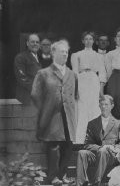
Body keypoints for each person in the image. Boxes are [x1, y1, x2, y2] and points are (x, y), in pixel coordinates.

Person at [31, 40, 78, 185]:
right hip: (52, 118)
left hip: (68, 117)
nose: (65, 54)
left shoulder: (72, 74)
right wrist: (47, 108)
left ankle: (62, 175)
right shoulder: (43, 73)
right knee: (53, 147)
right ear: (53, 53)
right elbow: (35, 94)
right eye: (61, 51)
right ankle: (52, 177)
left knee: (68, 146)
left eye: (66, 52)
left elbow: (75, 95)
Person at [76, 95, 120, 186]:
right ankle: (81, 183)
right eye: (102, 104)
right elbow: (87, 144)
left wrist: (112, 147)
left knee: (103, 151)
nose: (103, 107)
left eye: (106, 104)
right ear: (99, 105)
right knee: (82, 152)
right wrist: (101, 147)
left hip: (111, 156)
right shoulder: (92, 123)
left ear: (112, 106)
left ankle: (97, 182)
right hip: (97, 153)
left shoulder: (119, 123)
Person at [71, 31, 107, 143]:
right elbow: (75, 73)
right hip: (82, 80)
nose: (88, 41)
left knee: (94, 108)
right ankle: (79, 139)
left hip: (93, 81)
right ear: (82, 41)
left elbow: (102, 74)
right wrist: (76, 89)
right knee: (81, 108)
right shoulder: (77, 55)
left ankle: (94, 138)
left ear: (94, 41)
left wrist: (101, 90)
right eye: (86, 39)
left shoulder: (98, 56)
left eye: (90, 39)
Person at [14, 33, 42, 105]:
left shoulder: (38, 58)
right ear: (27, 43)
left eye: (37, 42)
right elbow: (22, 78)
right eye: (32, 42)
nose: (35, 44)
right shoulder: (21, 57)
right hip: (27, 99)